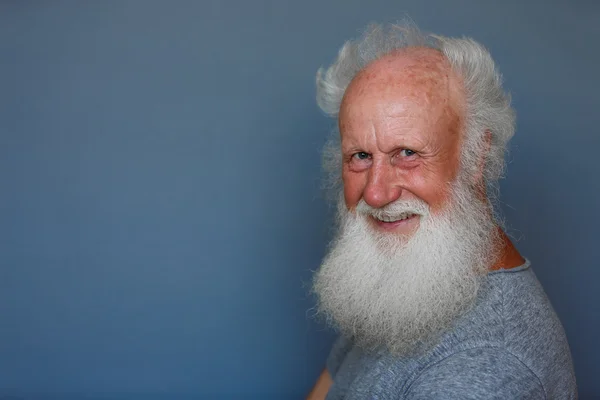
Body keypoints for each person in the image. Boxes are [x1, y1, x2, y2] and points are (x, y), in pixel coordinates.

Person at [307, 21, 577, 399]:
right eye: (361, 156)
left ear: (475, 157)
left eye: (407, 153)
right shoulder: (399, 280)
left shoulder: (487, 366)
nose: (377, 192)